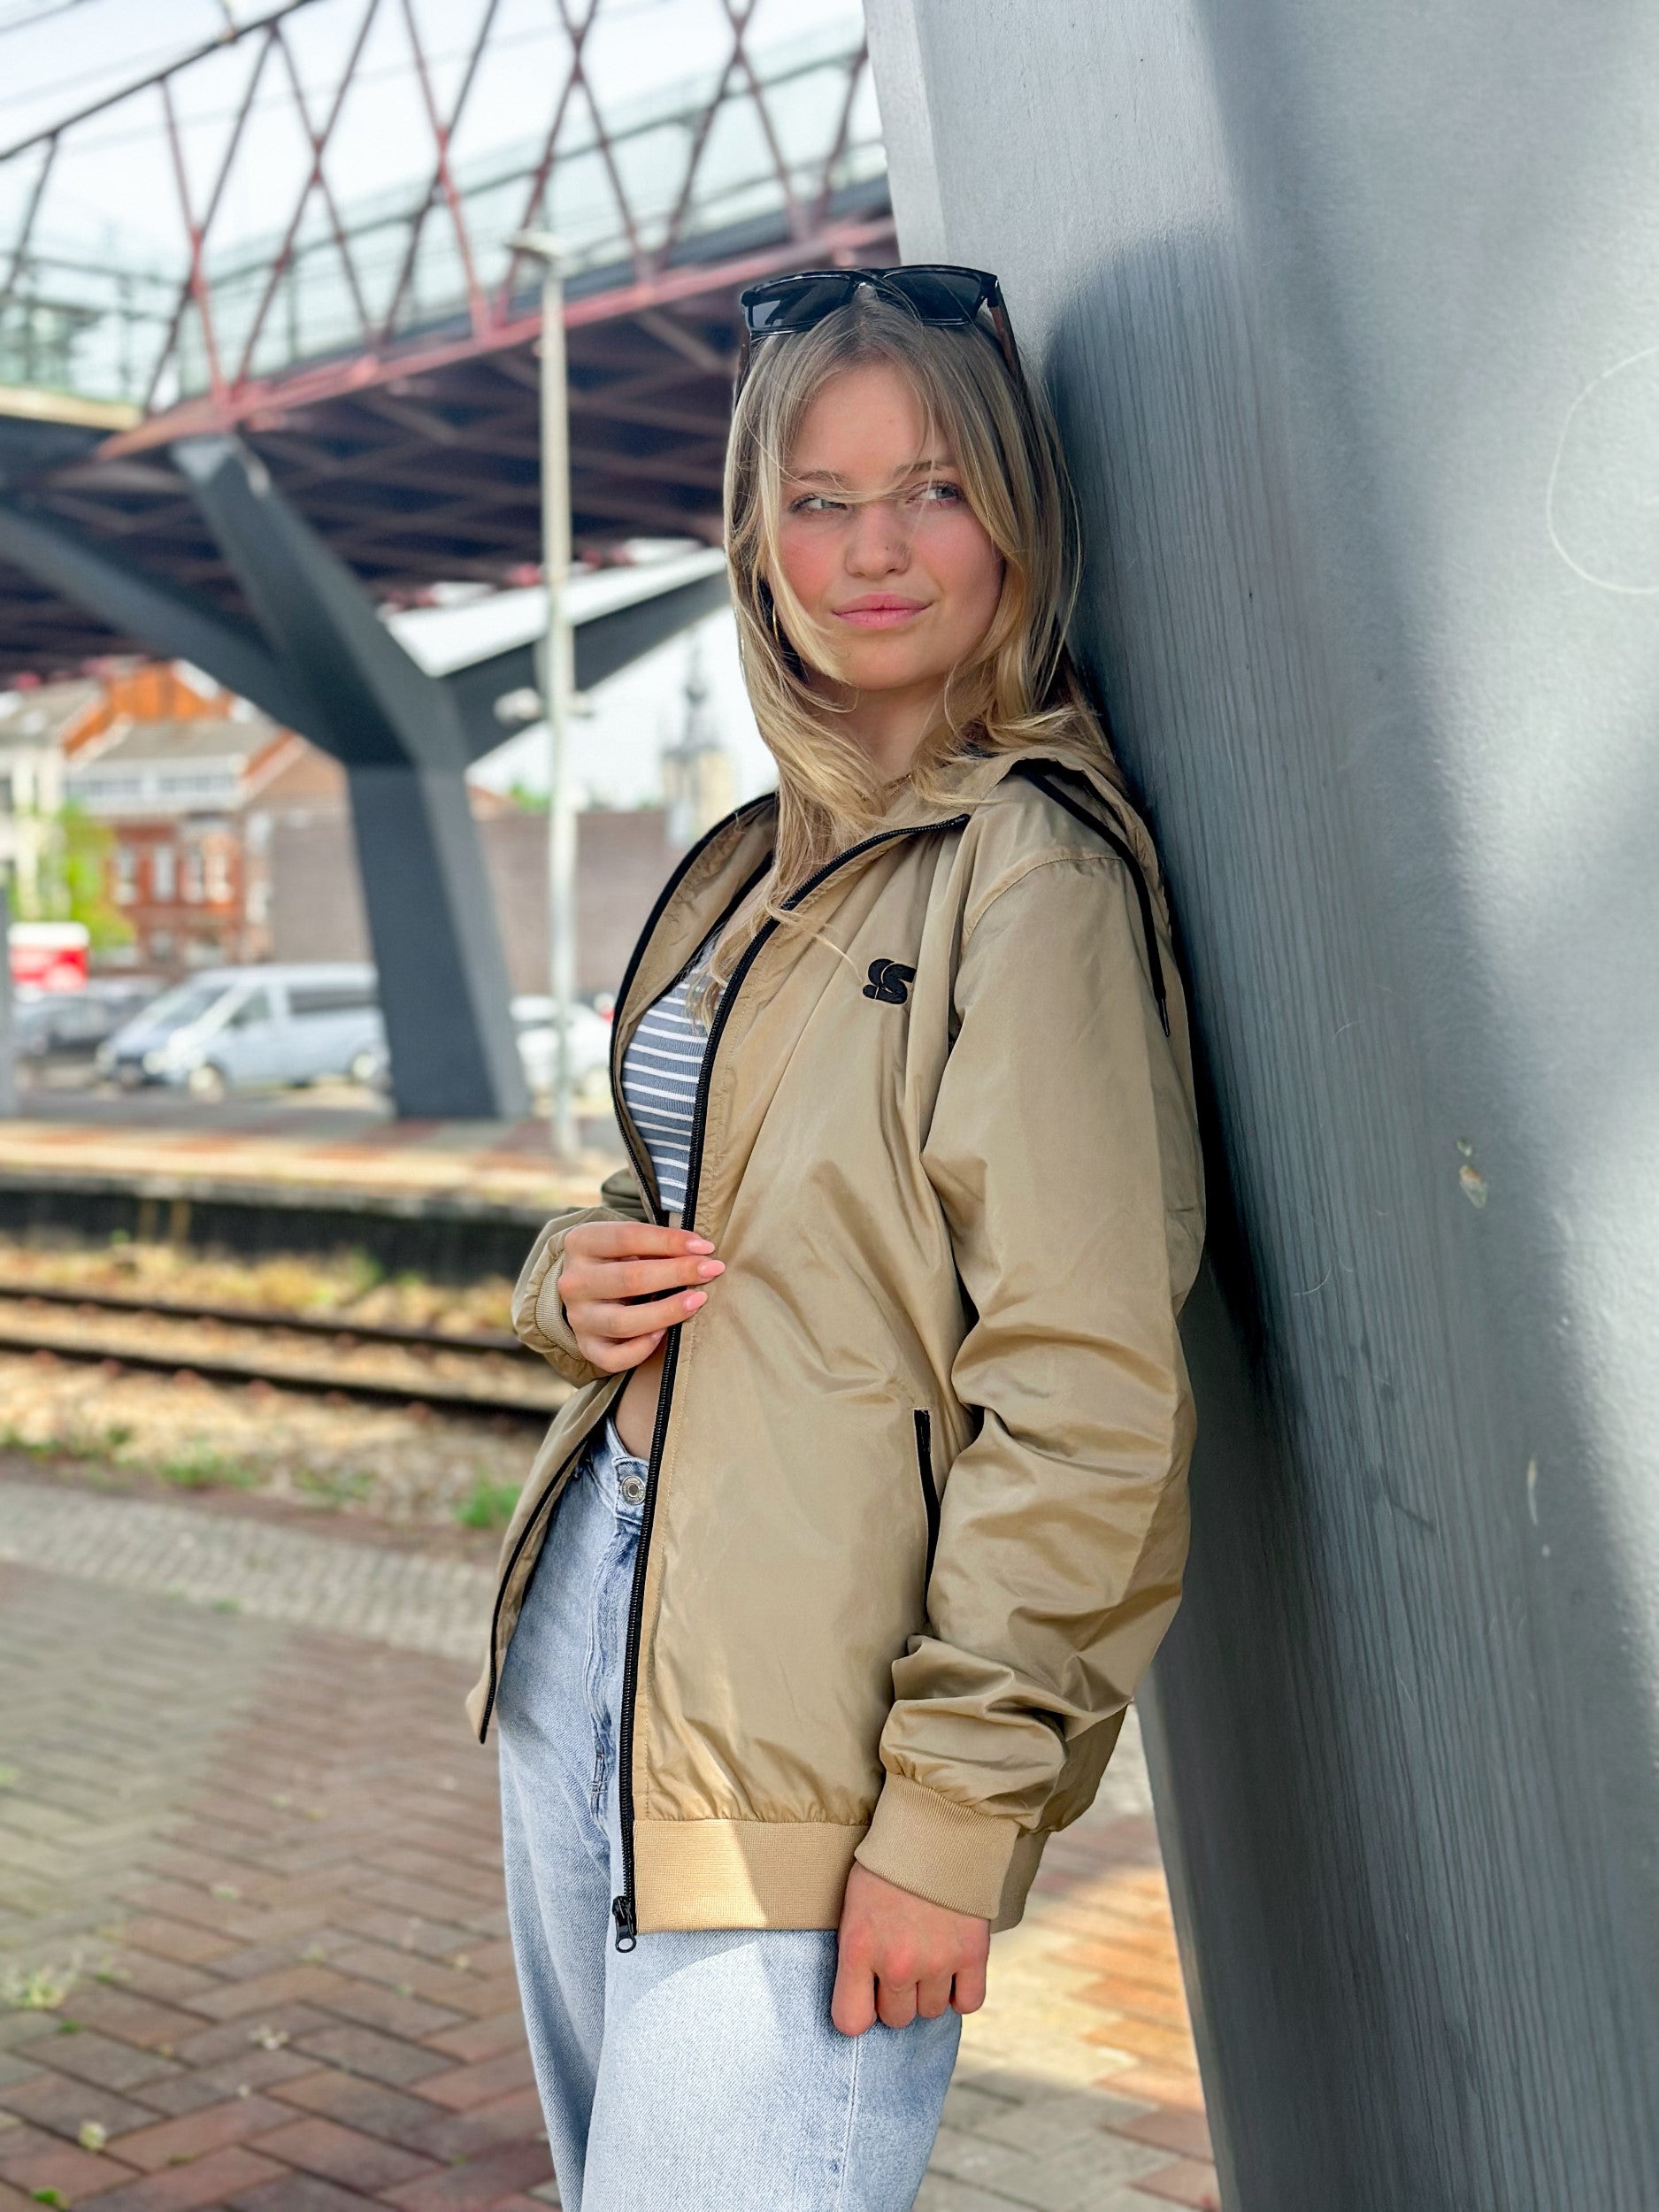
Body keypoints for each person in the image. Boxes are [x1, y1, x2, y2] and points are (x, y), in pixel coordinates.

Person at [467, 265, 1205, 2212]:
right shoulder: (754, 856)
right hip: (593, 1670)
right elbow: (693, 1204)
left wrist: (960, 1810)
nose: (873, 547)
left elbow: (1084, 1391)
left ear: (1016, 519)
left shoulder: (1024, 874)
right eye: (817, 495)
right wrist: (571, 1274)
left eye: (932, 486)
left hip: (815, 1735)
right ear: (752, 533)